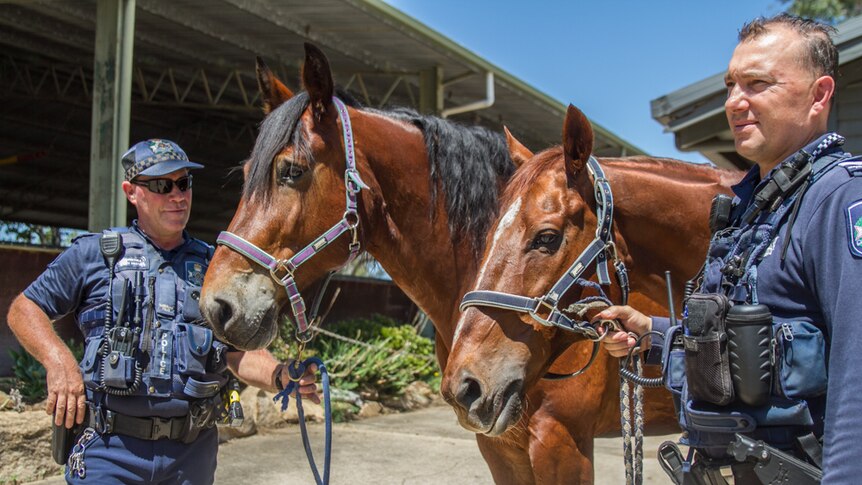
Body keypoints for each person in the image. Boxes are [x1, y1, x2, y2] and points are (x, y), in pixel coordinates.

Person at [596, 14, 862, 484]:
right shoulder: (755, 204)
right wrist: (654, 334)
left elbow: (856, 363)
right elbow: (751, 338)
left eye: (757, 83)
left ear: (819, 95)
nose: (735, 102)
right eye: (730, 85)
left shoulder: (840, 197)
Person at [6, 139, 319, 483]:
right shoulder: (95, 254)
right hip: (109, 450)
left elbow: (235, 353)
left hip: (190, 455)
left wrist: (279, 375)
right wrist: (59, 363)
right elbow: (24, 308)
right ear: (131, 192)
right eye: (161, 185)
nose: (177, 195)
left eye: (184, 183)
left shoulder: (213, 265)